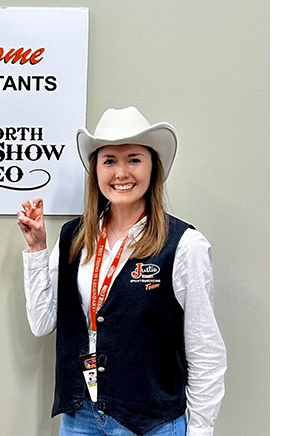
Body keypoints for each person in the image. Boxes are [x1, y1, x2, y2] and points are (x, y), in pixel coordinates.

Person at [17, 106, 226, 436]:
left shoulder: (185, 245)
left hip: (151, 423)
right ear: (96, 170)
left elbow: (205, 352)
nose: (121, 172)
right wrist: (36, 249)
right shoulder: (73, 237)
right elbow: (42, 323)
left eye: (134, 159)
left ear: (153, 168)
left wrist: (200, 431)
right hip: (81, 417)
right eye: (109, 160)